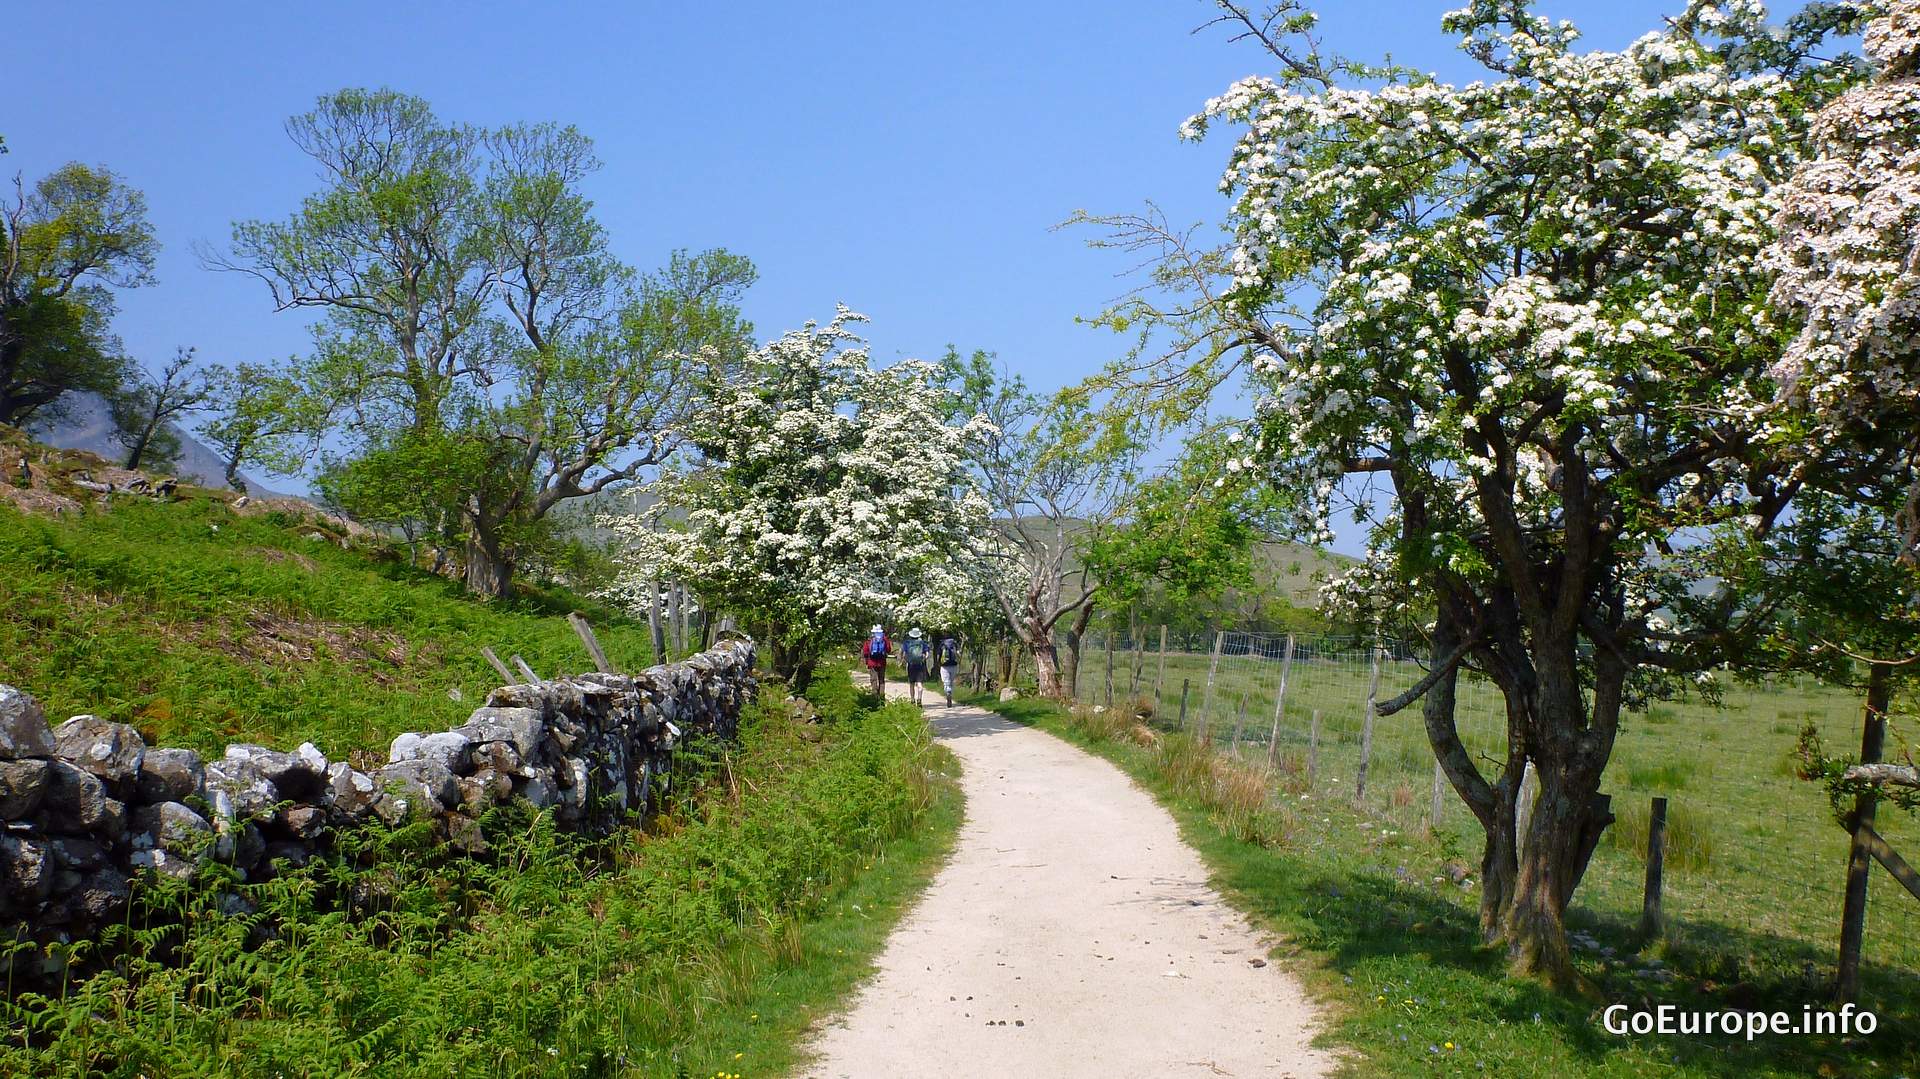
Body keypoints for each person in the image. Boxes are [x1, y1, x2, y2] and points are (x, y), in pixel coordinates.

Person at [901, 627, 932, 705]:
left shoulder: (907, 643)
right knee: (919, 684)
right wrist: (923, 658)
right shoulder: (923, 643)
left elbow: (904, 655)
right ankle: (919, 699)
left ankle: (912, 700)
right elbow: (927, 655)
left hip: (911, 665)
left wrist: (907, 660)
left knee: (911, 684)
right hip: (920, 665)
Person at [862, 624, 890, 696]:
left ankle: (874, 696)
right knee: (881, 680)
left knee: (873, 679)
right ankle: (881, 696)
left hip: (872, 662)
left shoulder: (869, 639)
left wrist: (866, 662)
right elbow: (888, 649)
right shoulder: (884, 639)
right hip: (882, 662)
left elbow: (865, 651)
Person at [937, 631, 962, 707]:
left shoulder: (942, 644)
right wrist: (958, 660)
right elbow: (958, 653)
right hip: (954, 665)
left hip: (944, 666)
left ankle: (948, 692)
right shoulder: (954, 643)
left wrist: (938, 663)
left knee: (946, 681)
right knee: (951, 681)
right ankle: (950, 692)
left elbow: (938, 655)